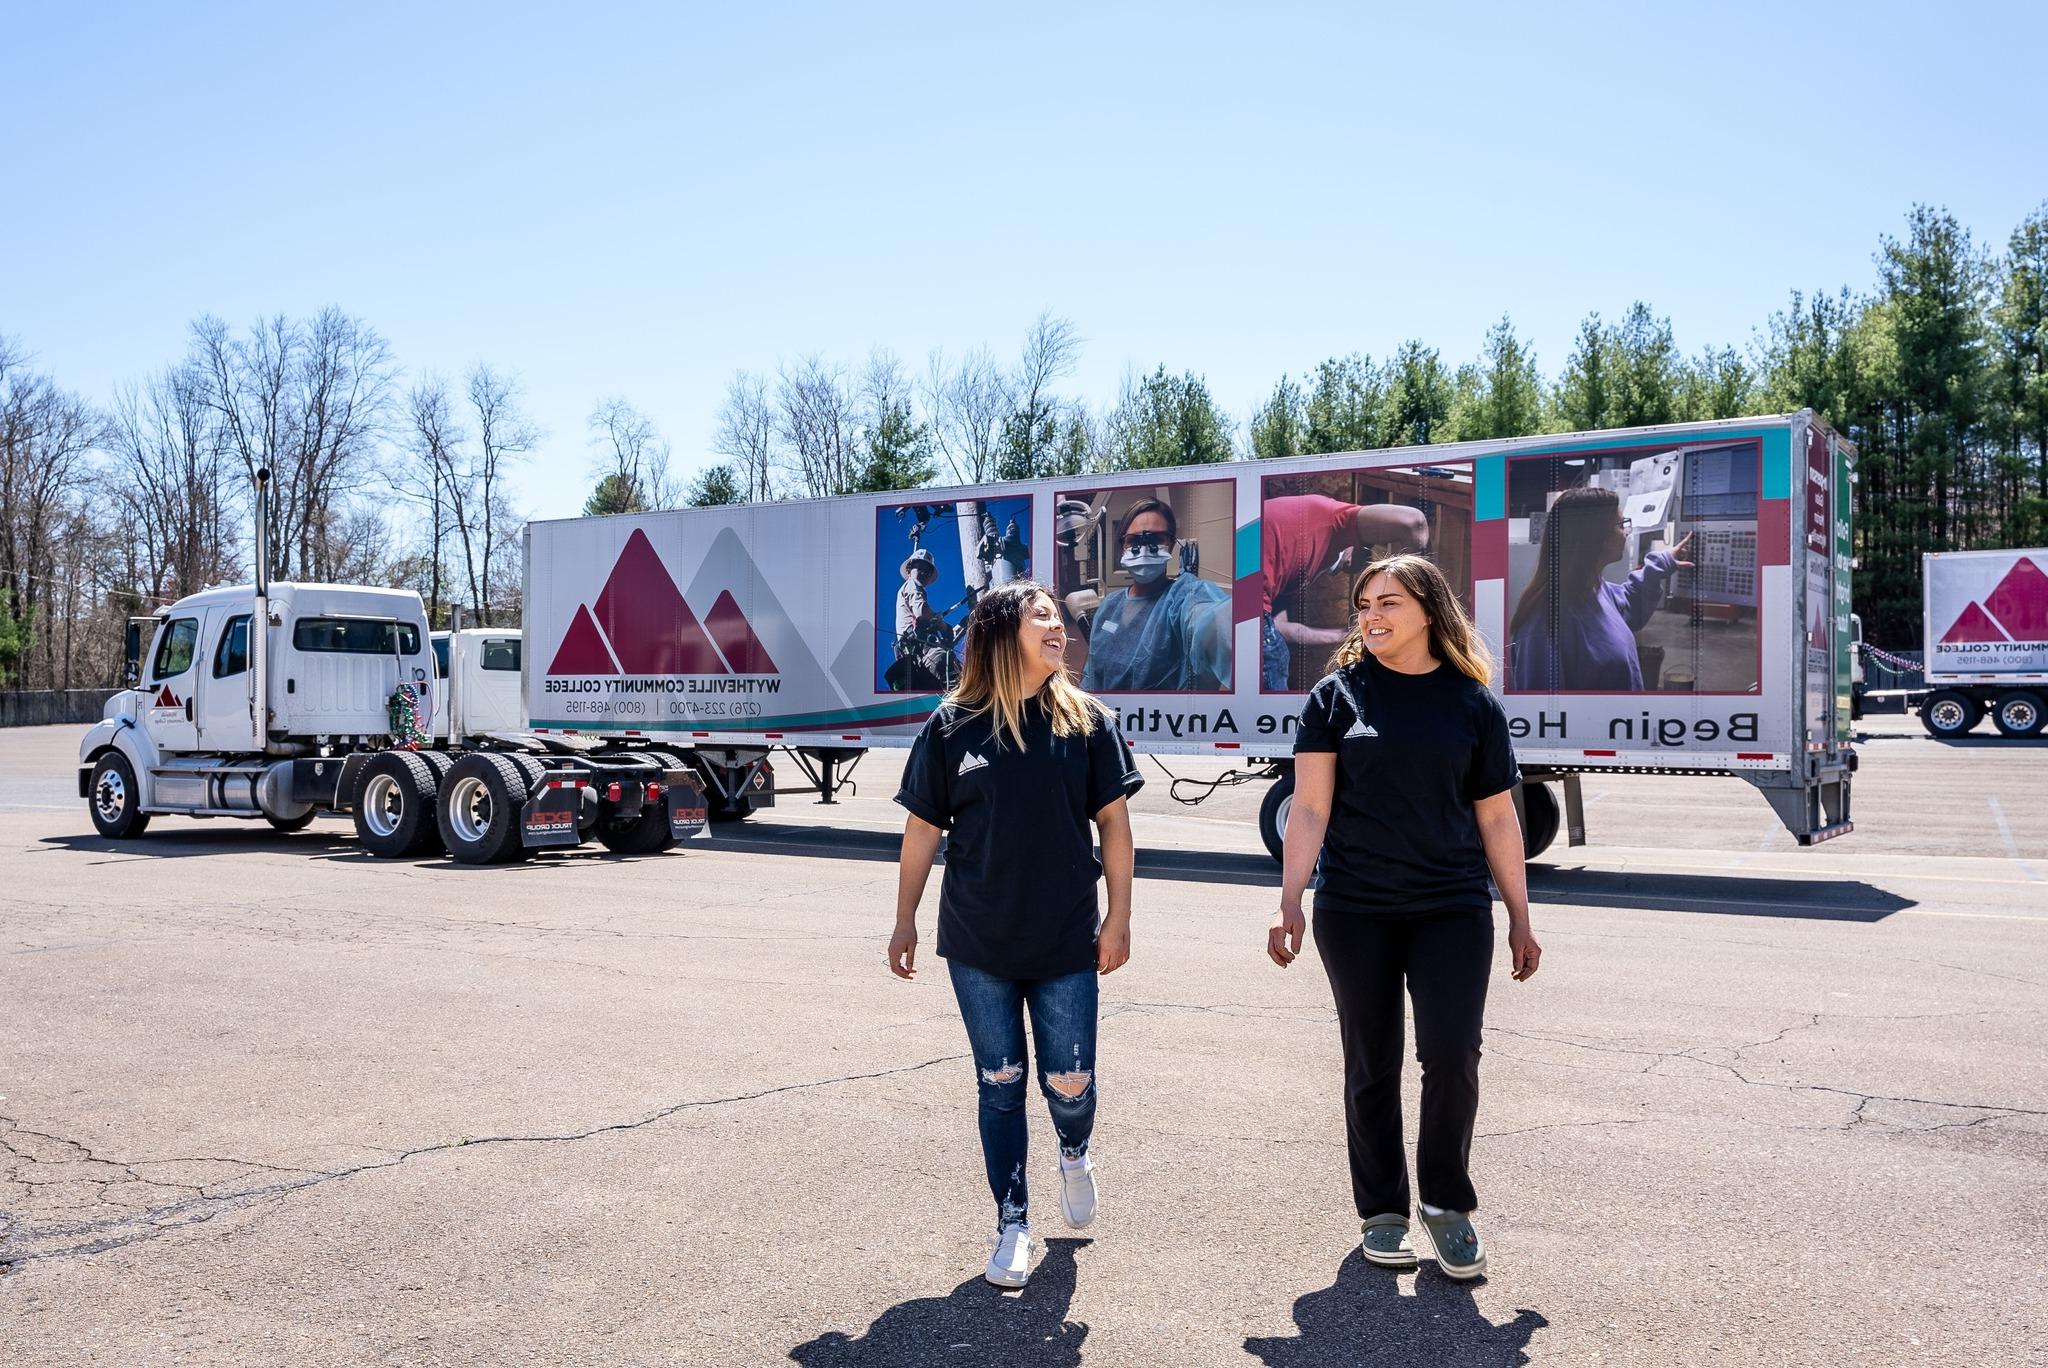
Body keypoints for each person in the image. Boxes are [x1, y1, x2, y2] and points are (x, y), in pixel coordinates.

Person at [1268, 553, 1541, 1281]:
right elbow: (1311, 809)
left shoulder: (1471, 703)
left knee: (1453, 1055)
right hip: (1355, 908)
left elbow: (1498, 821)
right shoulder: (1336, 698)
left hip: (1451, 906)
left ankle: (1447, 1206)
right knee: (1372, 1062)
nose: (1372, 617)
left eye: (1388, 602)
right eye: (1364, 605)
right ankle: (1383, 1210)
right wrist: (1291, 898)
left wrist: (1519, 914)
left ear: (1429, 609)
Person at [890, 580, 1143, 1289]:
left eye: (1059, 618)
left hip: (1066, 940)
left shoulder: (1088, 722)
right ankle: (1013, 1223)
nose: (1057, 627)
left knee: (1069, 1082)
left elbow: (1115, 827)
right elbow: (921, 833)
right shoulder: (950, 728)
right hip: (978, 944)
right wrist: (904, 918)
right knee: (999, 1083)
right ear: (1003, 634)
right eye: (1042, 617)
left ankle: (1074, 1148)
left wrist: (1119, 917)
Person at [1506, 485, 1694, 692]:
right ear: (1594, 536)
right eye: (1621, 525)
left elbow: (1629, 603)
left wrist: (1663, 561)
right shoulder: (1543, 623)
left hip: (1621, 724)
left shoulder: (1596, 591)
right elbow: (1540, 714)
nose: (1626, 533)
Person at [1261, 494, 1431, 690]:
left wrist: (1346, 635)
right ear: (1353, 550)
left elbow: (1280, 629)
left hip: (1233, 608)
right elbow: (1414, 522)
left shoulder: (1289, 564)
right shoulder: (1333, 518)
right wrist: (1416, 601)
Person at [1078, 498, 1231, 692]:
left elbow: (1211, 617)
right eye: (1134, 540)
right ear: (1122, 545)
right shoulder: (1109, 606)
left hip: (1159, 720)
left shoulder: (1183, 598)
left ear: (1171, 544)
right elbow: (1091, 676)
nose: (1143, 550)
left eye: (1155, 539)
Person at [888, 548, 954, 691]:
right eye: (920, 568)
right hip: (921, 650)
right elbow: (922, 612)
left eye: (928, 571)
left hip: (916, 657)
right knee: (945, 663)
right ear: (910, 568)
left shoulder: (907, 589)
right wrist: (944, 627)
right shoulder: (912, 584)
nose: (924, 573)